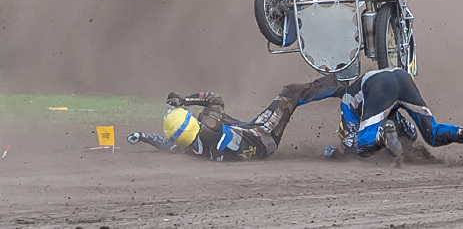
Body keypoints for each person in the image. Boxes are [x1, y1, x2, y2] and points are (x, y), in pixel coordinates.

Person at [126, 74, 345, 161]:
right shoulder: (210, 126)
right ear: (190, 123)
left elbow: (169, 143)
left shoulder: (191, 146)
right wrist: (184, 101)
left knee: (226, 126)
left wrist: (143, 136)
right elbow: (216, 99)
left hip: (250, 143)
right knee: (290, 93)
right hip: (262, 135)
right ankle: (342, 86)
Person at [326, 68, 463, 167]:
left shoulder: (347, 102)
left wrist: (330, 153)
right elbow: (411, 135)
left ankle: (382, 137)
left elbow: (349, 145)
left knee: (362, 143)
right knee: (432, 133)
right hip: (402, 76)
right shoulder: (387, 113)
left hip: (379, 85)